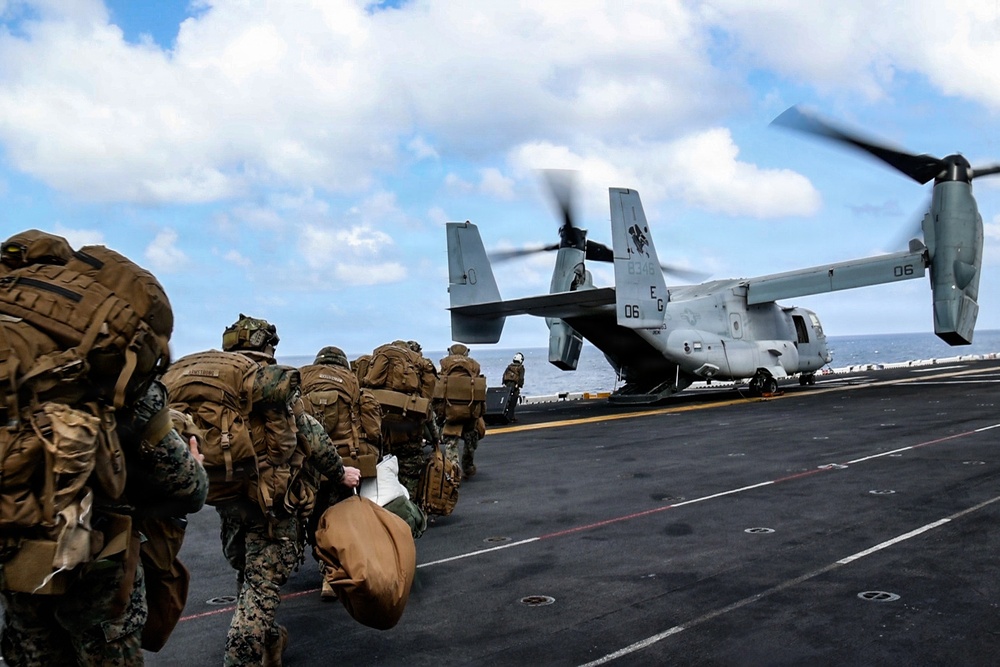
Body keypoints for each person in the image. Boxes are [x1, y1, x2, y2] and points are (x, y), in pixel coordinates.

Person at [0, 231, 208, 666]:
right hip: (93, 566)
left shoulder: (18, 354)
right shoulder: (108, 372)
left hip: (13, 555)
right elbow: (188, 488)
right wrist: (194, 462)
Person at [218, 315, 360, 666]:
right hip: (273, 508)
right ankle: (245, 655)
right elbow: (310, 435)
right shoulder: (272, 384)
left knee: (248, 579)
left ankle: (271, 641)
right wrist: (340, 473)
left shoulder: (217, 388)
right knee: (258, 591)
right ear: (267, 348)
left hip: (230, 504)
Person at [437, 343, 487, 479]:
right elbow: (480, 390)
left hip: (450, 410)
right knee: (471, 439)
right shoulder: (474, 366)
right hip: (470, 412)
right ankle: (468, 467)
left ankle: (453, 470)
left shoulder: (444, 365)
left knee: (451, 442)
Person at [502, 352, 526, 420]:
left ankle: (505, 415)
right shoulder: (521, 368)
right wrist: (519, 385)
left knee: (507, 401)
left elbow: (504, 375)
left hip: (507, 385)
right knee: (513, 402)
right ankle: (511, 416)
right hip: (515, 385)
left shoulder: (509, 367)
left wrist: (504, 383)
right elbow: (521, 378)